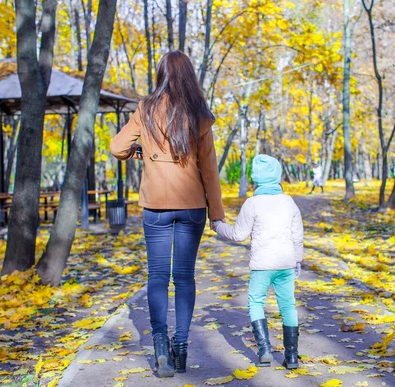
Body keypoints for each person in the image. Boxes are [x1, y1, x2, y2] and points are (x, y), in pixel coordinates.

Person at [110, 51, 225, 378]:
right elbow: (210, 170)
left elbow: (118, 147)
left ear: (161, 75)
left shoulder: (145, 109)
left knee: (158, 277)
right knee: (184, 277)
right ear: (189, 75)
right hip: (192, 208)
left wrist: (139, 151)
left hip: (156, 207)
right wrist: (216, 213)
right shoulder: (200, 114)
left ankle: (160, 346)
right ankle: (182, 346)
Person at [212, 155, 304, 369]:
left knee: (256, 303)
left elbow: (238, 234)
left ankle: (264, 350)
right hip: (285, 263)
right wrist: (297, 259)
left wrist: (218, 226)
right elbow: (297, 235)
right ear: (277, 175)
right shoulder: (288, 201)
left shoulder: (252, 204)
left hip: (262, 265)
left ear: (256, 179)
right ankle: (291, 357)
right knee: (288, 305)